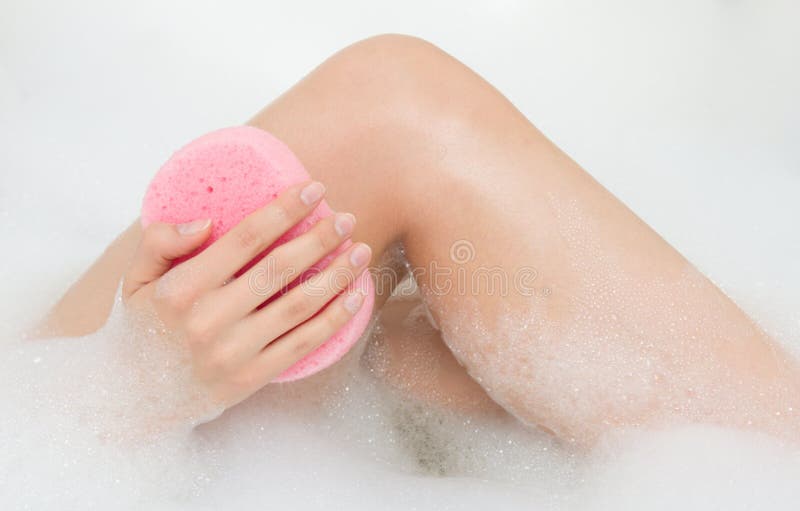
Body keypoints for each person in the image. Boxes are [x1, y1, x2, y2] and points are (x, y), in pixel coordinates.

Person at [39, 34, 799, 446]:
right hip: (47, 428)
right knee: (395, 109)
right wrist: (131, 386)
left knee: (425, 360)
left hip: (50, 405)